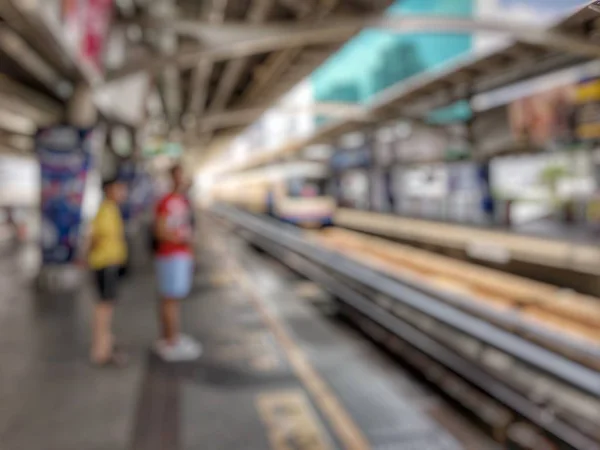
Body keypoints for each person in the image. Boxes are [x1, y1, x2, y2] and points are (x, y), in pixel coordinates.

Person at [153, 165, 201, 361]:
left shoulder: (182, 200)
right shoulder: (165, 202)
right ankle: (171, 342)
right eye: (178, 176)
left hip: (180, 255)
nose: (182, 180)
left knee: (173, 299)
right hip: (171, 255)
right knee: (170, 299)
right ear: (172, 178)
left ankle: (171, 338)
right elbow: (159, 231)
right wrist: (181, 239)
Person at [88, 178, 128, 366]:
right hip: (105, 264)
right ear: (109, 190)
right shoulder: (106, 211)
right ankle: (100, 351)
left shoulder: (111, 209)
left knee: (107, 305)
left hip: (108, 264)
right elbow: (95, 238)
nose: (123, 192)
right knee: (104, 307)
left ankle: (105, 343)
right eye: (119, 188)